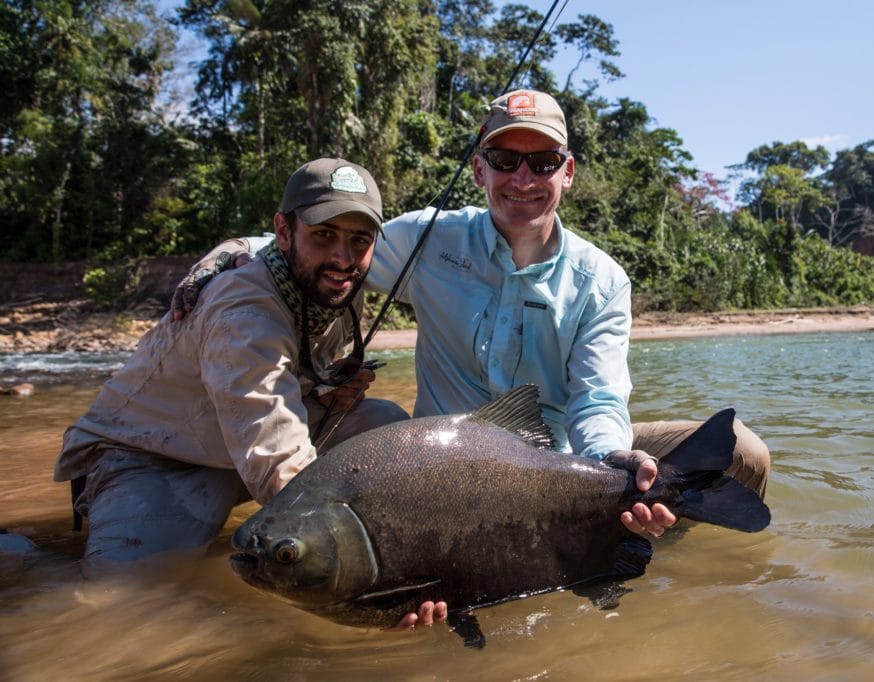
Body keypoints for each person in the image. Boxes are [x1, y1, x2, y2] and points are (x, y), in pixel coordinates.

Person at [177, 90, 771, 627]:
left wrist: (619, 466)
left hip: (560, 462)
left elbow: (598, 396)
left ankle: (619, 544)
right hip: (446, 477)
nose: (522, 178)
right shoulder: (428, 240)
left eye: (541, 163)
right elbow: (330, 244)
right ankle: (563, 551)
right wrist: (231, 257)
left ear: (567, 173)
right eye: (505, 160)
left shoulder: (602, 280)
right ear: (480, 169)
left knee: (743, 451)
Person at [54, 158, 410, 578]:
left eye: (359, 241)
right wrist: (370, 566)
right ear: (283, 232)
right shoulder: (242, 311)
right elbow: (279, 464)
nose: (342, 257)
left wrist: (324, 390)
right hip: (151, 457)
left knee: (381, 423)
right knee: (117, 595)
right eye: (323, 235)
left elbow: (278, 398)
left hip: (235, 443)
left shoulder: (335, 283)